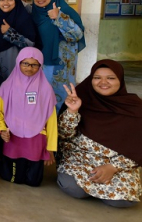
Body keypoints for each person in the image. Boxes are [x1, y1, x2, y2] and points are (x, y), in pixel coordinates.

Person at [56, 61, 140, 208]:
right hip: (80, 159)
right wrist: (72, 111)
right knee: (74, 188)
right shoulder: (82, 98)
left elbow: (138, 147)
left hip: (115, 164)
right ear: (91, 79)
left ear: (120, 79)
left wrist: (113, 167)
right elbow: (63, 135)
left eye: (111, 78)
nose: (103, 82)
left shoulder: (135, 108)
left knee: (123, 201)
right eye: (97, 77)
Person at [0, 48, 57, 187]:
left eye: (34, 65)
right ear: (18, 63)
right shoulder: (7, 87)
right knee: (12, 178)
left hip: (37, 138)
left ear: (40, 66)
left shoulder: (46, 90)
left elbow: (52, 120)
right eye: (25, 63)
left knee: (33, 181)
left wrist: (51, 148)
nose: (29, 68)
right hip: (12, 137)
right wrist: (1, 130)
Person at [31, 0, 85, 106]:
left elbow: (77, 35)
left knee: (61, 96)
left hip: (62, 65)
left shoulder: (65, 11)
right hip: (41, 63)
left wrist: (59, 17)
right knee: (42, 98)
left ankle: (61, 123)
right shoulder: (35, 14)